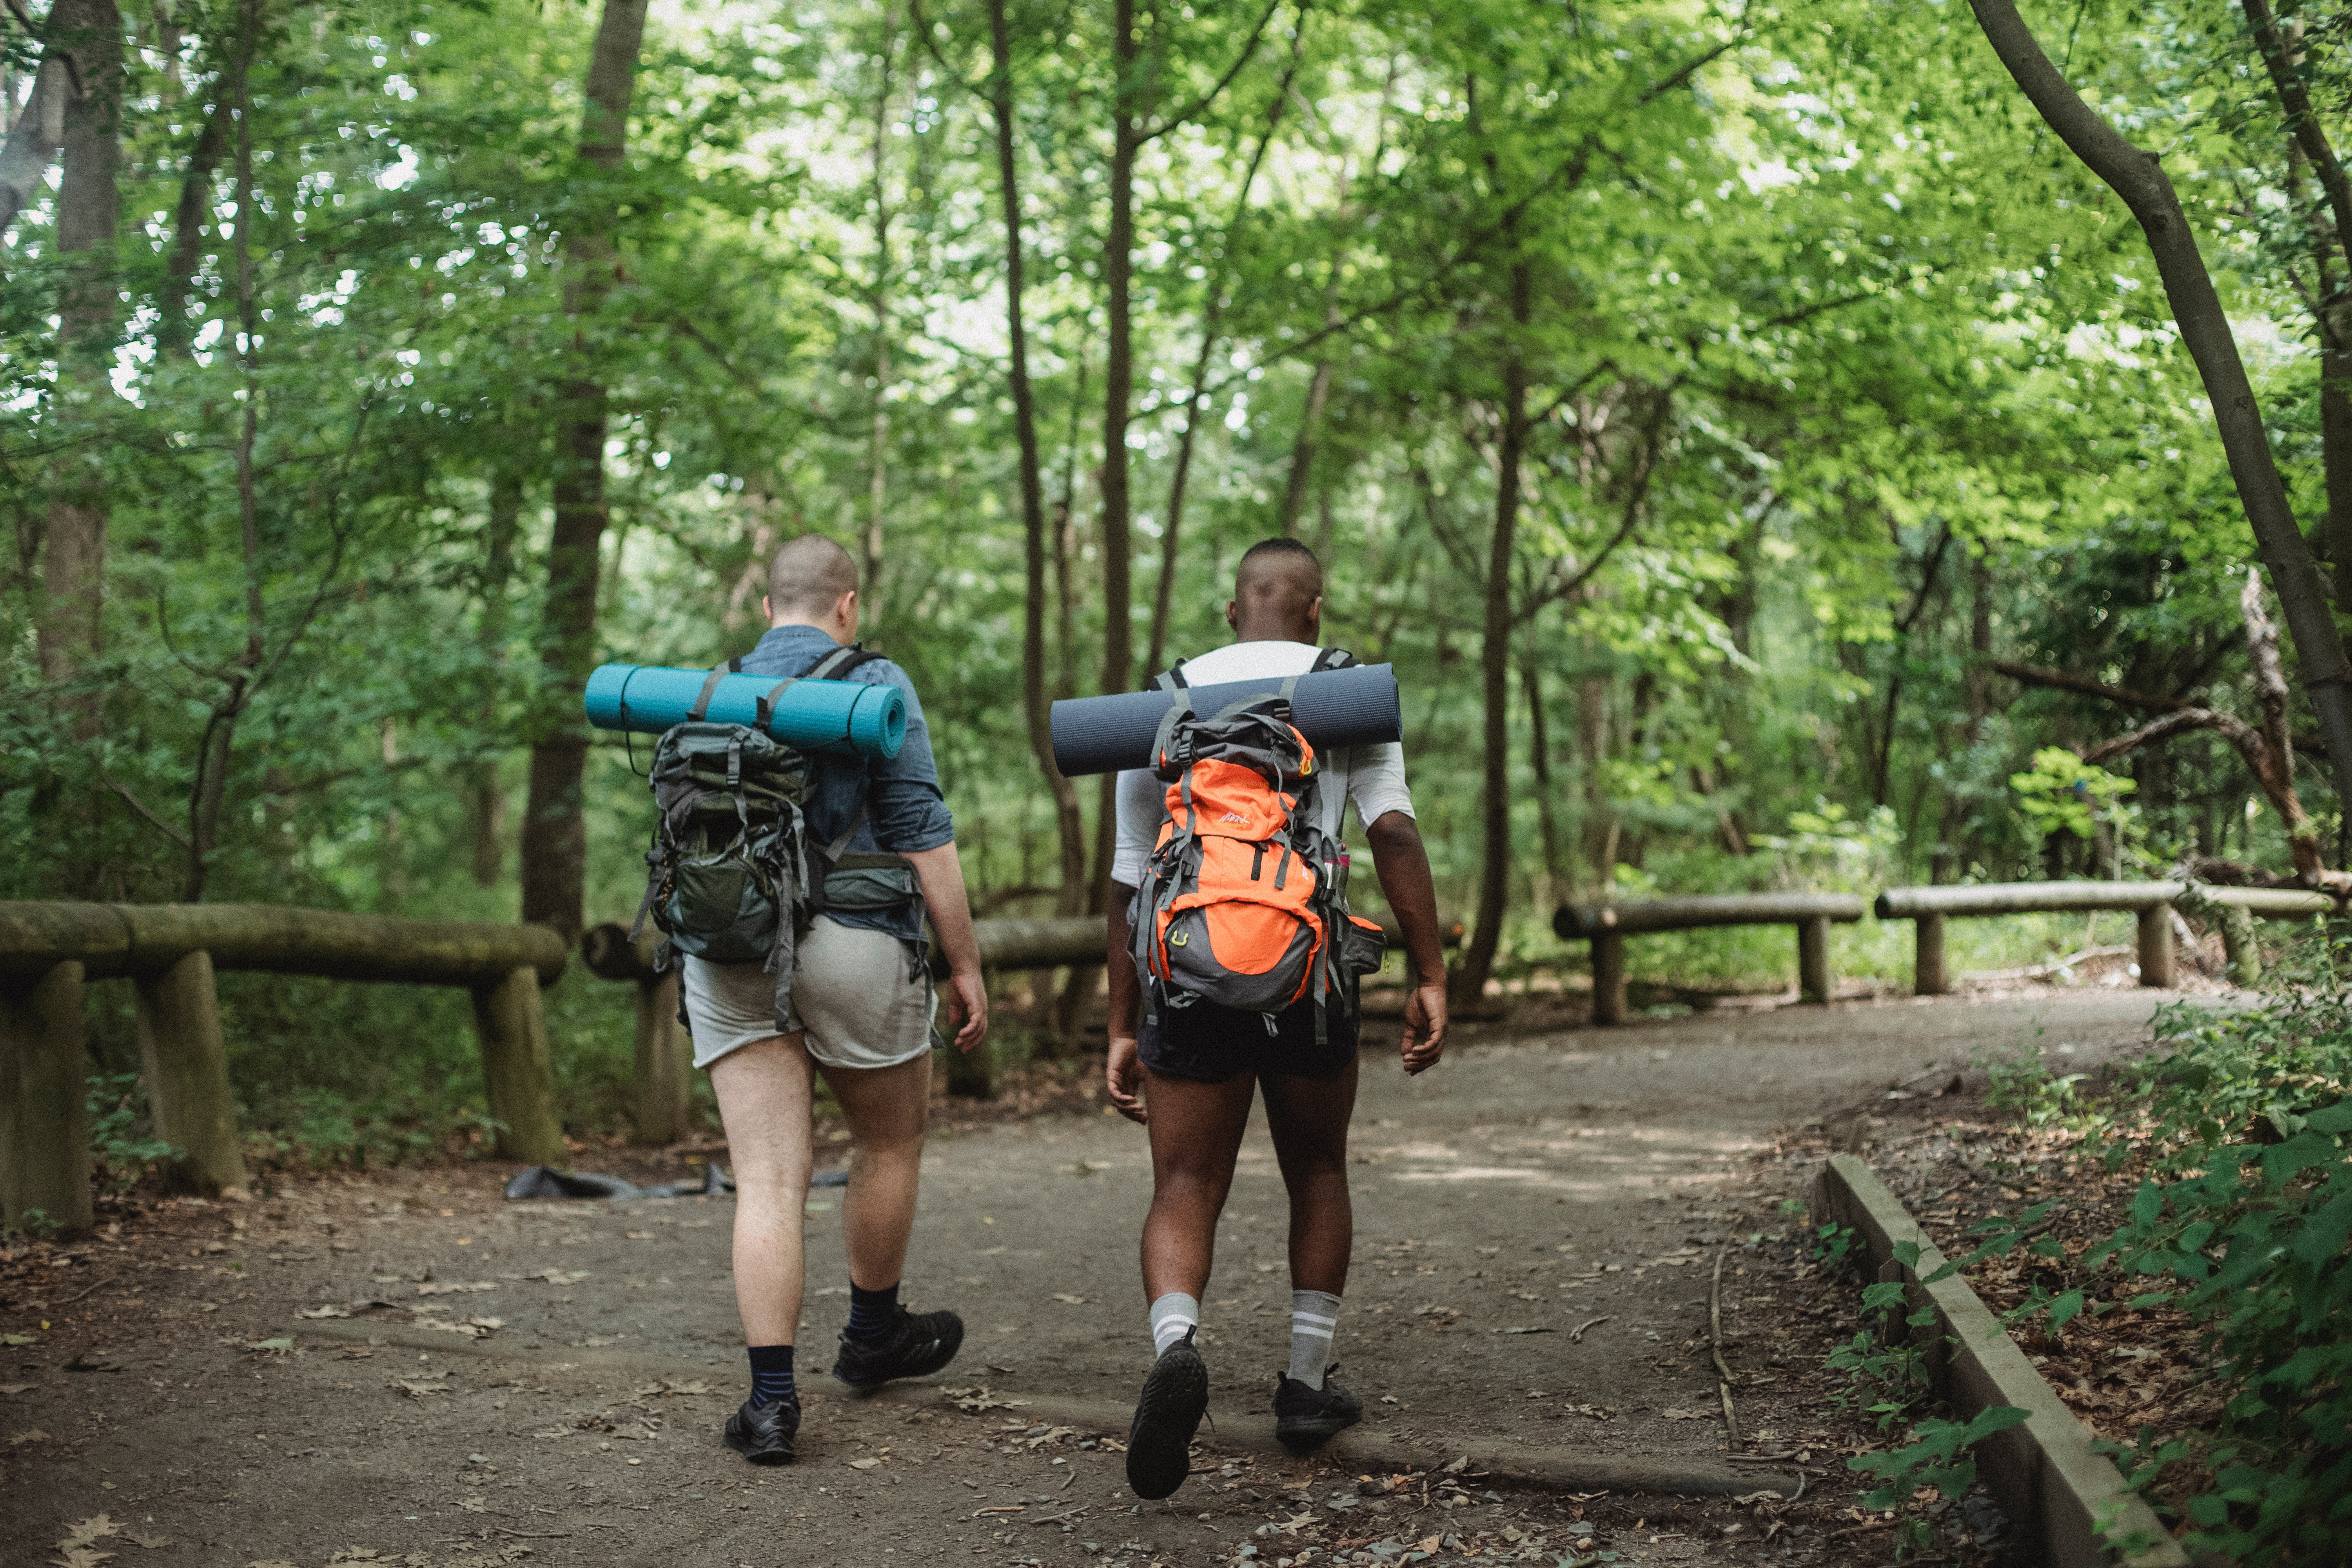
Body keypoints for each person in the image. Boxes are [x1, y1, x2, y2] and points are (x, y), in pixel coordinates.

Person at [1104, 537, 1451, 1499]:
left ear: (1233, 610)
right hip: (1311, 975)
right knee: (1319, 1168)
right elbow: (1391, 830)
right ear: (1315, 610)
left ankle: (1177, 1342)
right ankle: (1304, 1383)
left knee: (1183, 1180)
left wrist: (1119, 1025)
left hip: (1185, 974)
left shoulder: (1162, 702)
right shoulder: (1349, 695)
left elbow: (1134, 876)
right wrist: (1430, 970)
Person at [684, 534, 989, 1466]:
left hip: (730, 946)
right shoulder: (875, 680)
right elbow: (922, 834)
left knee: (768, 1178)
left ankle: (772, 1405)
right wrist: (966, 964)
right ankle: (871, 1334)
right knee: (888, 1138)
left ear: (768, 606)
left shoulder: (710, 688)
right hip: (856, 944)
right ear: (847, 605)